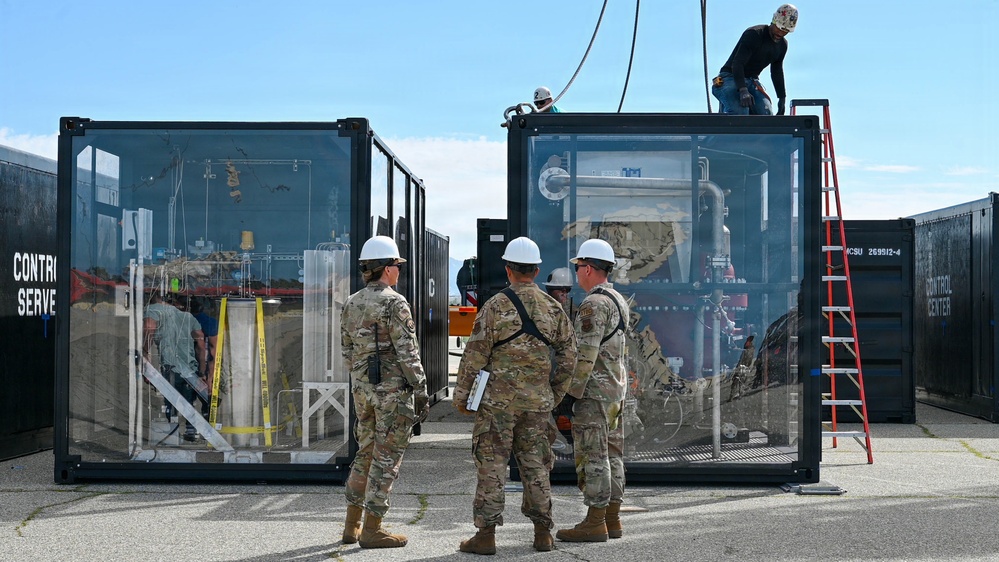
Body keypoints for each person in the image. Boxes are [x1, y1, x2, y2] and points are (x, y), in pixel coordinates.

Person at [453, 236, 577, 555]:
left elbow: (475, 355)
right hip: (537, 404)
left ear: (508, 270)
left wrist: (464, 399)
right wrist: (554, 392)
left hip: (498, 404)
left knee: (491, 464)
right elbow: (569, 355)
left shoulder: (494, 306)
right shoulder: (554, 308)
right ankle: (542, 533)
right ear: (536, 271)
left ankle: (486, 535)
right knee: (536, 465)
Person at [339, 235, 430, 549]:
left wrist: (364, 380)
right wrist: (420, 389)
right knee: (386, 458)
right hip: (392, 393)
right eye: (396, 264)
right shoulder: (395, 302)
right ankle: (373, 529)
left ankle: (352, 527)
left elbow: (347, 351)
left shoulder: (351, 302)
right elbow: (408, 351)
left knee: (364, 454)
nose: (399, 270)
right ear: (386, 269)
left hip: (363, 391)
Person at [556, 238, 630, 543]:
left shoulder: (593, 304)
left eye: (578, 268)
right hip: (615, 392)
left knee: (592, 456)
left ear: (588, 268)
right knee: (613, 454)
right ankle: (612, 520)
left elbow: (584, 355)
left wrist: (568, 396)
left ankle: (595, 521)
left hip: (594, 394)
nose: (576, 274)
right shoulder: (617, 299)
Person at [711, 4, 798, 116]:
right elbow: (738, 63)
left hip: (752, 81)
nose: (781, 33)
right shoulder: (755, 34)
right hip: (730, 77)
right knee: (741, 113)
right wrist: (742, 90)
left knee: (766, 116)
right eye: (780, 28)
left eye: (786, 31)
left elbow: (777, 72)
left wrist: (782, 98)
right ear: (774, 20)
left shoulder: (782, 45)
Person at [143, 292, 208, 442]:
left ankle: (173, 433)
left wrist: (145, 352)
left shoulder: (153, 309)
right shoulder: (188, 317)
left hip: (170, 365)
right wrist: (203, 371)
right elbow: (200, 343)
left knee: (171, 400)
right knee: (189, 399)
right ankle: (191, 431)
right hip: (189, 367)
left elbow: (149, 326)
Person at [190, 298, 219, 410]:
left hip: (191, 365)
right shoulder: (210, 322)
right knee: (207, 398)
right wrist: (210, 377)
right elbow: (214, 352)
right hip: (205, 366)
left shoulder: (186, 321)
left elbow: (201, 348)